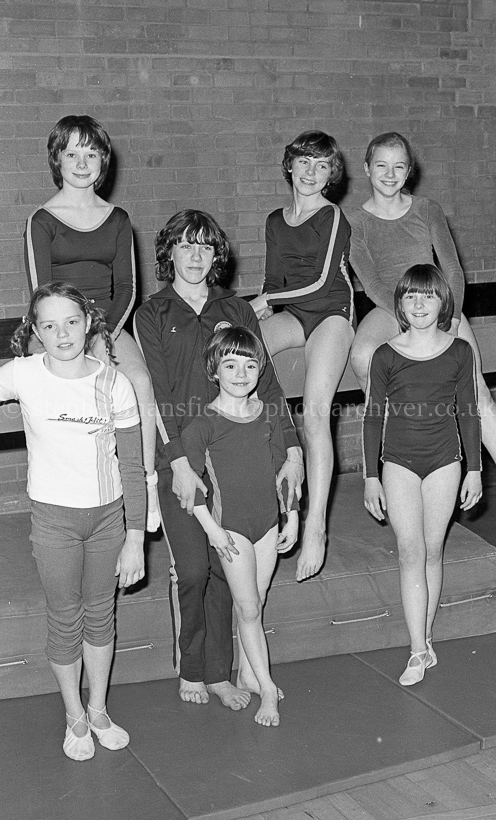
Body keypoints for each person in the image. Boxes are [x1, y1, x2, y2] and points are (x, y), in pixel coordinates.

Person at [134, 209, 303, 710]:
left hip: (232, 456)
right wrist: (178, 462)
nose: (194, 256)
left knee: (225, 569)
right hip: (181, 455)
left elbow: (267, 382)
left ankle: (219, 672)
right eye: (185, 246)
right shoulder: (154, 314)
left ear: (216, 256)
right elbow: (160, 396)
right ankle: (190, 666)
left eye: (204, 247)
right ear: (169, 253)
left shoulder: (235, 308)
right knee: (191, 570)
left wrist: (291, 449)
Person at [2, 282, 146, 760]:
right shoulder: (22, 374)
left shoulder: (113, 382)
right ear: (35, 331)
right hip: (54, 521)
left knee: (101, 617)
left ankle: (99, 709)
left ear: (88, 323)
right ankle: (74, 717)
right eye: (48, 325)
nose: (61, 334)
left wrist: (135, 538)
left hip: (107, 520)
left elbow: (132, 467)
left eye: (71, 322)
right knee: (65, 620)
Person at [24, 115, 159, 532]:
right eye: (72, 153)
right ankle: (70, 502)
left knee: (138, 380)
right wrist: (71, 337)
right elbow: (41, 296)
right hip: (55, 325)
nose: (82, 163)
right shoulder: (41, 220)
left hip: (109, 324)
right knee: (63, 393)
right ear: (57, 160)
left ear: (103, 161)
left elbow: (129, 289)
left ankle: (146, 483)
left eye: (92, 153)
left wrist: (104, 334)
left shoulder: (117, 218)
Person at [363, 265, 482, 685]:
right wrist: (370, 476)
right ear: (400, 305)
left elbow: (468, 411)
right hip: (398, 464)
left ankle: (425, 637)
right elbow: (373, 416)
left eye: (427, 296)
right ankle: (416, 651)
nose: (419, 304)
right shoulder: (386, 354)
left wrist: (475, 469)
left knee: (433, 550)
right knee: (410, 550)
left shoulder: (459, 351)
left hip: (444, 462)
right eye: (411, 296)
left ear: (442, 303)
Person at [346, 130, 496, 463]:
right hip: (389, 307)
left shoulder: (427, 209)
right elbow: (371, 284)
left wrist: (452, 320)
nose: (389, 174)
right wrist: (410, 319)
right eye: (381, 165)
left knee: (477, 392)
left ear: (409, 170)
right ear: (367, 168)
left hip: (437, 301)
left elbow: (454, 271)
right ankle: (399, 449)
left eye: (398, 167)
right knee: (362, 354)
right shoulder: (354, 222)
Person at [249, 130, 354, 583]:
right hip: (294, 313)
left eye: (322, 165)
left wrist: (261, 301)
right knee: (245, 351)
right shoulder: (276, 219)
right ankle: (275, 487)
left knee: (315, 414)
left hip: (332, 312)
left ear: (332, 174)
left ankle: (316, 526)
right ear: (289, 166)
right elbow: (273, 280)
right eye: (304, 163)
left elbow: (319, 283)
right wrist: (250, 309)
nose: (311, 173)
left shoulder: (332, 216)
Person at [181, 326, 299, 726]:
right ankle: (267, 689)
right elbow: (191, 487)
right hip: (229, 529)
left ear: (260, 369)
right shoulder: (202, 424)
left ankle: (249, 672)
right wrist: (212, 530)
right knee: (248, 608)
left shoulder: (268, 414)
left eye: (250, 365)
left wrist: (293, 514)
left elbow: (284, 469)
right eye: (230, 365)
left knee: (256, 603)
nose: (241, 373)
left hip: (266, 524)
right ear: (214, 370)